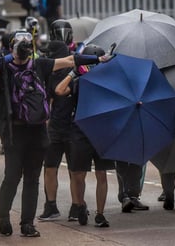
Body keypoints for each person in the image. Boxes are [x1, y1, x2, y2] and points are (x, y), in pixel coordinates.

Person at [0, 31, 112, 237]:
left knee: (32, 179)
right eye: (19, 43)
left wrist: (98, 58)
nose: (25, 46)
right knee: (12, 176)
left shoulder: (39, 64)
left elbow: (70, 60)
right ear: (11, 46)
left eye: (27, 43)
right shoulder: (4, 67)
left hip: (38, 130)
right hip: (15, 132)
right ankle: (3, 216)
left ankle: (27, 224)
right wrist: (12, 55)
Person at [54, 44, 114, 228]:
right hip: (80, 131)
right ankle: (79, 205)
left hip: (102, 131)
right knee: (78, 174)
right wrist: (74, 72)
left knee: (102, 173)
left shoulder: (109, 82)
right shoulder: (78, 81)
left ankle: (100, 214)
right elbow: (58, 90)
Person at [37, 40, 78, 221]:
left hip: (70, 128)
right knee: (50, 168)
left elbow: (61, 92)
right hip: (54, 128)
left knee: (74, 171)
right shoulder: (48, 75)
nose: (46, 57)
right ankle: (51, 206)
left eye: (49, 54)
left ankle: (77, 206)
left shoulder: (74, 75)